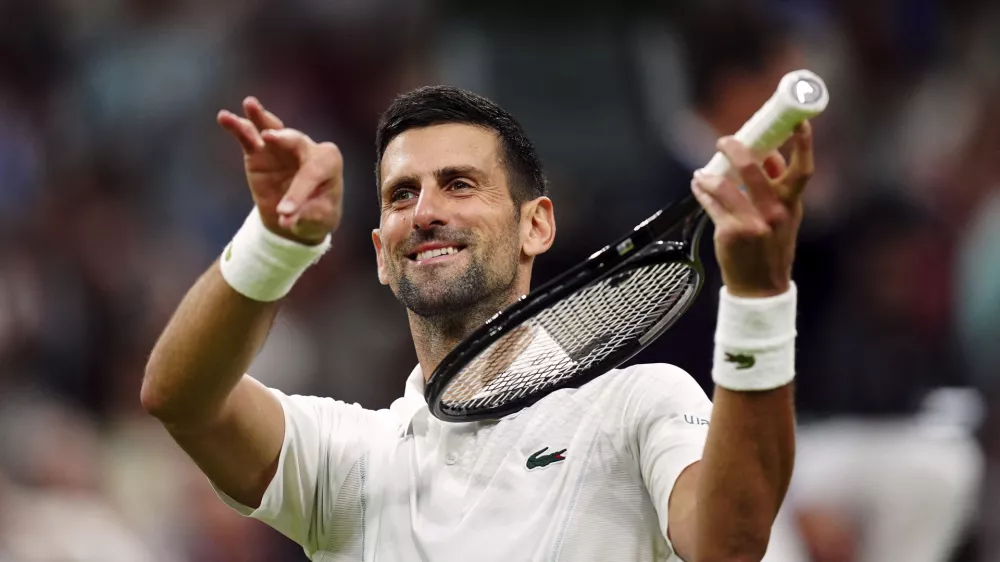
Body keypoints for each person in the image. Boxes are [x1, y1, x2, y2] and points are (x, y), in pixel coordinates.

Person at [141, 85, 815, 561]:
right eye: (402, 195)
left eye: (459, 184)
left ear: (536, 225)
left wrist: (759, 297)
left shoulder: (637, 407)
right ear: (381, 252)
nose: (426, 211)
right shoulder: (351, 458)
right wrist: (275, 245)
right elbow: (181, 397)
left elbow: (729, 546)